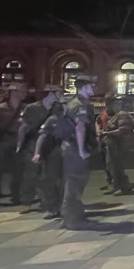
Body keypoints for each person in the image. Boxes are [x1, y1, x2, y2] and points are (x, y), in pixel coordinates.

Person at [58, 74, 99, 230]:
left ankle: (68, 215)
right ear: (84, 87)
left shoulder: (74, 102)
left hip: (70, 147)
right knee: (75, 183)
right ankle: (73, 219)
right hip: (75, 148)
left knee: (71, 182)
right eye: (91, 85)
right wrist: (82, 150)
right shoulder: (81, 104)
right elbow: (80, 127)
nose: (94, 88)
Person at [18, 85, 64, 207]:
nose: (61, 96)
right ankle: (27, 198)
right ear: (50, 93)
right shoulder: (32, 108)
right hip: (33, 143)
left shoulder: (58, 108)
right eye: (59, 93)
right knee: (31, 173)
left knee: (49, 174)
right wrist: (20, 145)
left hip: (51, 143)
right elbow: (23, 128)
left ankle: (47, 201)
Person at [0, 83, 27, 205]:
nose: (21, 94)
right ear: (11, 94)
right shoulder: (0, 108)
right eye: (18, 92)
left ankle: (16, 196)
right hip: (4, 139)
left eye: (22, 92)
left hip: (19, 140)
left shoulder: (25, 108)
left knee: (17, 170)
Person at [31, 99, 66, 219]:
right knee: (50, 181)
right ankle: (52, 208)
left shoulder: (72, 119)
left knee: (65, 182)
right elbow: (42, 136)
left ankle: (63, 207)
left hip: (68, 152)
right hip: (54, 152)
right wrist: (37, 153)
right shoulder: (52, 120)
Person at [101, 94, 134, 196]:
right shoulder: (116, 115)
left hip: (119, 145)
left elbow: (122, 130)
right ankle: (122, 186)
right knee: (113, 166)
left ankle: (120, 187)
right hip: (114, 145)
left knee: (116, 166)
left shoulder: (122, 115)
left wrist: (107, 133)